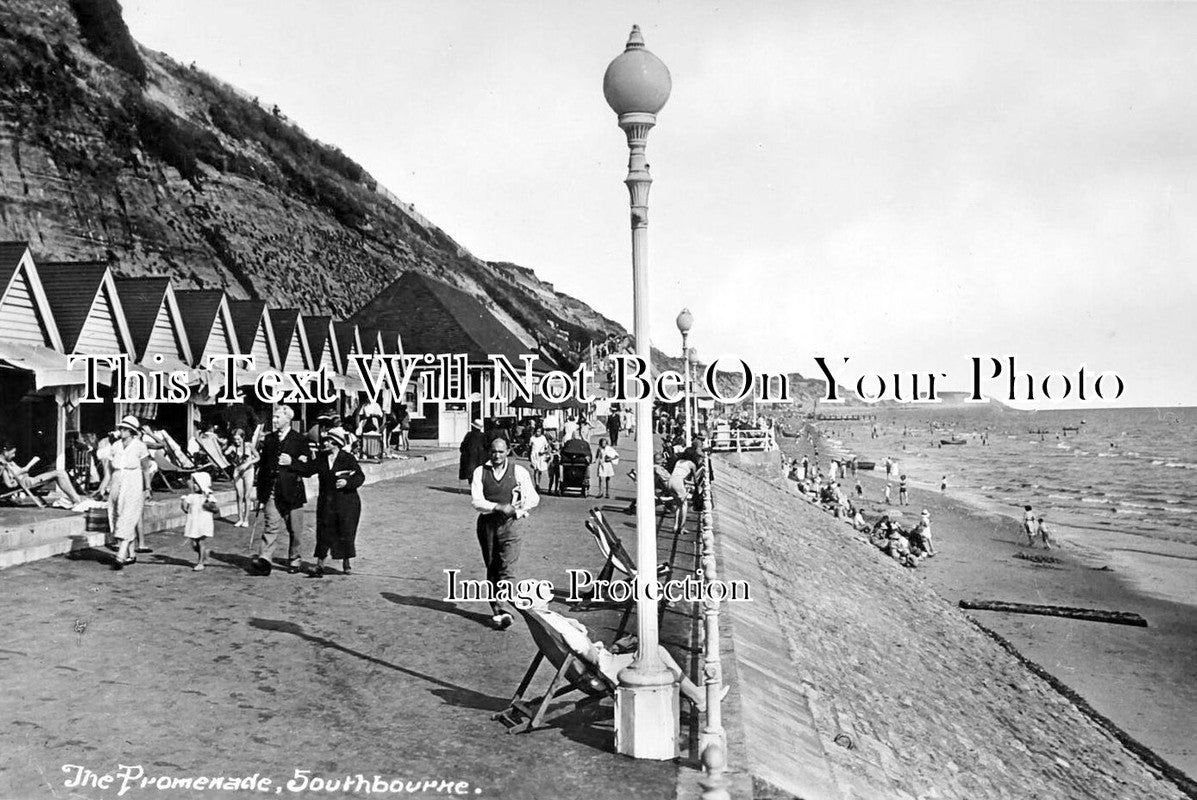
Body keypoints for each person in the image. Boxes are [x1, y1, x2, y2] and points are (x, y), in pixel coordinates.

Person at [470, 437, 539, 629]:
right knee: (492, 566)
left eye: (501, 451)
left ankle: (504, 609)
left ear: (508, 451)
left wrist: (519, 508)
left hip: (512, 525)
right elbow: (476, 501)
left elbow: (534, 498)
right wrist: (498, 506)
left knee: (507, 567)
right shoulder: (480, 472)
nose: (497, 455)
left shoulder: (518, 471)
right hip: (488, 524)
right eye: (493, 451)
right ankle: (498, 610)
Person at [253, 406, 316, 575]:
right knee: (270, 527)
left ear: (287, 419)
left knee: (295, 530)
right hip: (272, 491)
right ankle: (265, 560)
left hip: (292, 493)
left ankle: (294, 558)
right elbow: (263, 466)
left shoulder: (299, 440)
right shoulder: (269, 439)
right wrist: (260, 492)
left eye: (277, 417)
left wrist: (292, 462)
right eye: (273, 417)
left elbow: (309, 468)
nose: (273, 420)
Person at [312, 427, 366, 577]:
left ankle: (346, 562)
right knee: (323, 532)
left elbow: (360, 477)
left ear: (336, 443)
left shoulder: (347, 458)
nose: (325, 443)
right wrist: (293, 462)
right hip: (326, 502)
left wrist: (347, 482)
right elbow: (308, 469)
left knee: (346, 532)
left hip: (346, 503)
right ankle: (319, 565)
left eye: (328, 441)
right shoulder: (321, 458)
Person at [106, 416, 151, 569]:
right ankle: (131, 555)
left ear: (132, 431)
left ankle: (121, 554)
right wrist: (103, 487)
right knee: (116, 513)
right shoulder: (116, 446)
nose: (122, 431)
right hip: (117, 479)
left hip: (133, 480)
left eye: (125, 429)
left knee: (129, 514)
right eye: (121, 428)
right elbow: (109, 469)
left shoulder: (140, 446)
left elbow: (146, 468)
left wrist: (147, 488)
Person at [0, 440, 83, 507]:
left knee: (61, 473)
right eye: (12, 453)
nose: (14, 455)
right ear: (5, 452)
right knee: (60, 474)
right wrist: (19, 476)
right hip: (26, 482)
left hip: (27, 479)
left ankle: (76, 499)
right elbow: (9, 485)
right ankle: (77, 500)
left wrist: (24, 471)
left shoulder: (10, 462)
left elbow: (19, 473)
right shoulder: (2, 465)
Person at [180, 472, 218, 571]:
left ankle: (200, 562)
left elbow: (215, 508)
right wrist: (183, 501)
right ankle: (204, 554)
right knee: (194, 544)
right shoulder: (191, 496)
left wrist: (208, 502)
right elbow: (185, 509)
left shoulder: (207, 496)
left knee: (201, 541)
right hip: (194, 522)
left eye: (196, 483)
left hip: (203, 522)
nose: (193, 485)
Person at [225, 427, 258, 527]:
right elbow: (226, 453)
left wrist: (248, 463)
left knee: (247, 496)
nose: (237, 441)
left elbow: (258, 457)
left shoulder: (248, 446)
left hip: (248, 471)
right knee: (239, 496)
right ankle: (240, 518)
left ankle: (246, 519)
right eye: (235, 439)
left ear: (243, 438)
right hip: (238, 471)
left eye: (239, 439)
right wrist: (227, 451)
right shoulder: (232, 447)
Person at [458, 419, 488, 494]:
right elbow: (487, 447)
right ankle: (479, 489)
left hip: (469, 458)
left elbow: (463, 446)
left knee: (470, 474)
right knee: (479, 474)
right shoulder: (483, 436)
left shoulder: (469, 435)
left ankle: (472, 488)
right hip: (481, 458)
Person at [528, 425, 550, 490]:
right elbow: (530, 447)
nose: (538, 433)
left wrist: (544, 452)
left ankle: (539, 483)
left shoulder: (543, 438)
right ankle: (536, 484)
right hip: (534, 455)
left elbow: (547, 447)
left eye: (539, 431)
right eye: (537, 431)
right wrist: (529, 457)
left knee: (540, 470)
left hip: (541, 455)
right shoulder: (532, 438)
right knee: (536, 470)